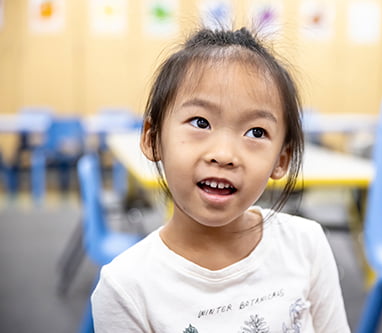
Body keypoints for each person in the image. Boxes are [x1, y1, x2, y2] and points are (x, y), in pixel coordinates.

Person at [91, 27, 350, 333]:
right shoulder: (126, 286)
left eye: (256, 132)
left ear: (281, 160)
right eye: (200, 122)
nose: (224, 155)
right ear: (153, 138)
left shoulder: (306, 244)